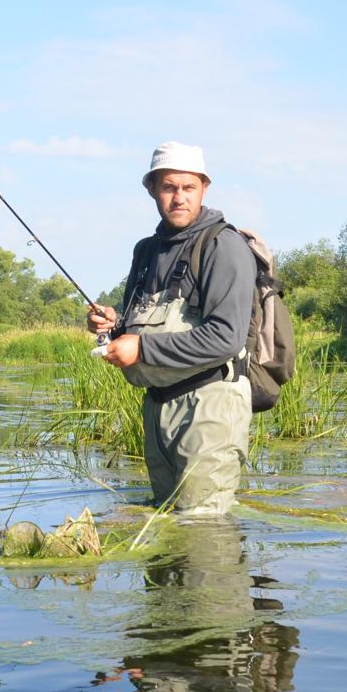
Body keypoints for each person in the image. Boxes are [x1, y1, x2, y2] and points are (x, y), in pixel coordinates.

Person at [87, 142, 256, 513]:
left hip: (210, 404)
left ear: (204, 188)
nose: (179, 197)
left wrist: (142, 349)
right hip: (158, 406)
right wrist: (111, 328)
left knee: (201, 530)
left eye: (188, 187)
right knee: (163, 521)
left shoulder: (223, 246)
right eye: (168, 187)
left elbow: (225, 338)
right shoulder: (145, 251)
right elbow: (135, 329)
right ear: (152, 190)